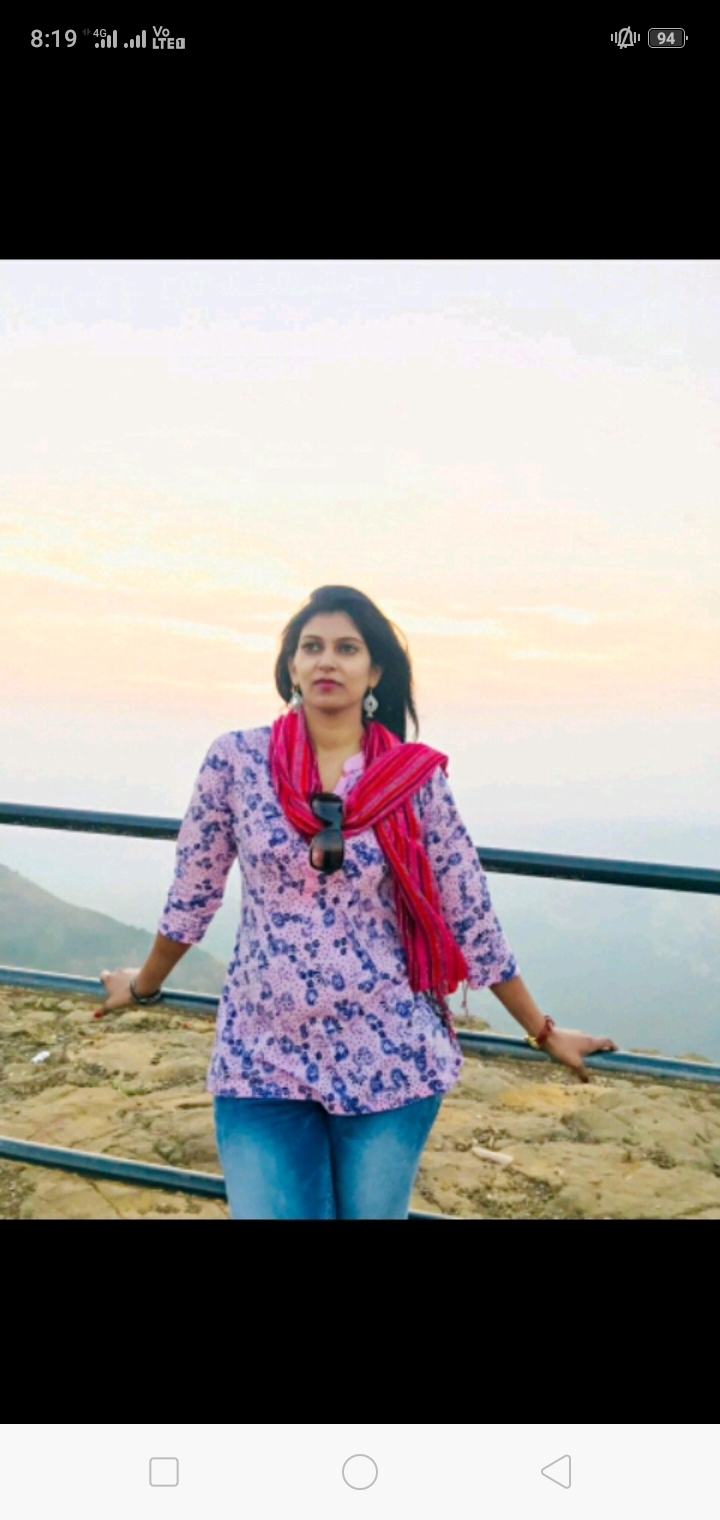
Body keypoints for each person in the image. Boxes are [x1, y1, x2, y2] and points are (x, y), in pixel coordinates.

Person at [94, 584, 617, 1218]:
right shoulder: (236, 762)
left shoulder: (413, 779)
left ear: (374, 672)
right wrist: (143, 985)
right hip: (263, 1052)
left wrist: (543, 1031)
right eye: (311, 646)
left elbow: (469, 913)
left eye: (347, 648)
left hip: (387, 1052)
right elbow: (193, 893)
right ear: (290, 666)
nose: (327, 661)